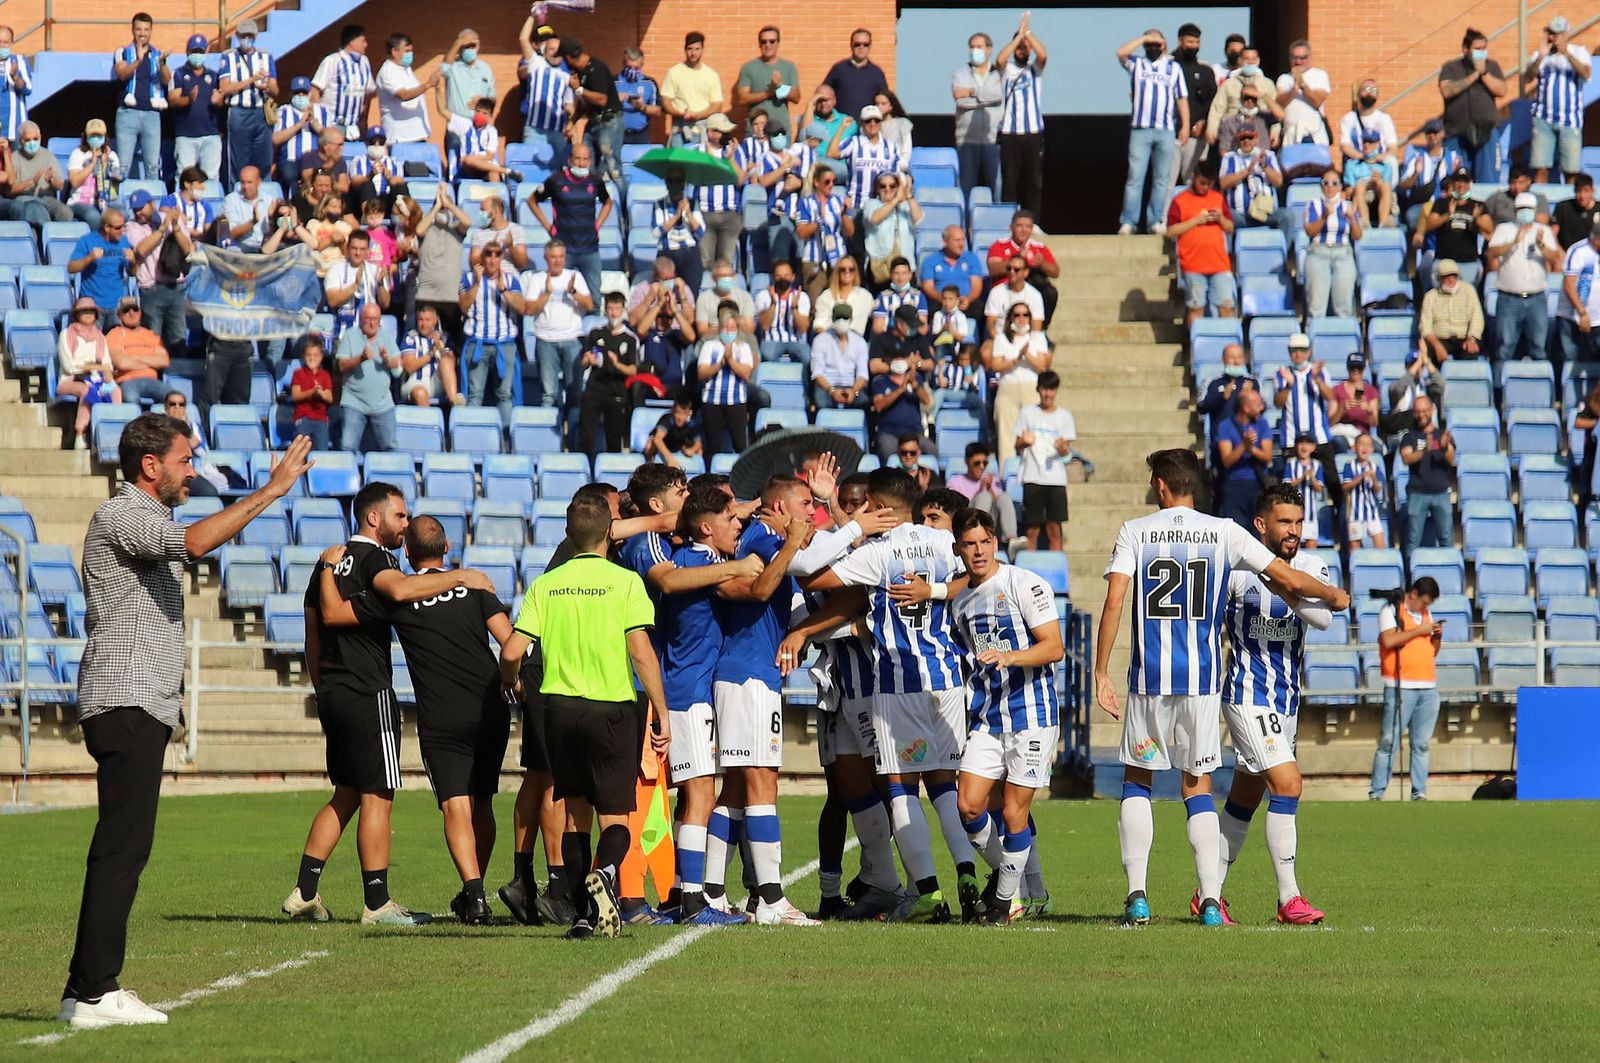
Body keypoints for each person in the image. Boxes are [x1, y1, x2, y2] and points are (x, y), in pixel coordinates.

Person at [53, 423, 307, 1030]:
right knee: (122, 848)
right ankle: (93, 991)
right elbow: (194, 544)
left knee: (124, 846)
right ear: (149, 466)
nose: (192, 471)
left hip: (141, 703)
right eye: (184, 461)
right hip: (126, 701)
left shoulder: (141, 514)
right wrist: (270, 492)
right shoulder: (122, 514)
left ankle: (85, 987)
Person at [1095, 448, 1347, 928]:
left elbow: (1113, 602)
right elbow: (1286, 576)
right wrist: (1335, 595)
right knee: (1198, 788)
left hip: (1150, 678)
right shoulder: (1225, 532)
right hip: (1206, 684)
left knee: (1138, 782)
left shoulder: (1135, 530)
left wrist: (1101, 672)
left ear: (1162, 486)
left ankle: (1138, 897)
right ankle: (1212, 901)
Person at [286, 480, 495, 928]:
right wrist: (462, 576)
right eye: (400, 516)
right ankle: (377, 903)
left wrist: (323, 688)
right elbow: (400, 592)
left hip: (334, 692)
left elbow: (314, 633)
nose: (405, 524)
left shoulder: (326, 564)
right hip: (368, 691)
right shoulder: (376, 560)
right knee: (378, 795)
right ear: (374, 517)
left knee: (344, 794)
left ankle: (305, 891)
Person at [804, 467, 976, 923]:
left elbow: (814, 579)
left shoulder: (880, 551)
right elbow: (978, 575)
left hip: (895, 683)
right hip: (946, 680)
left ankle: (929, 894)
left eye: (867, 507)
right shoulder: (943, 541)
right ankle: (968, 875)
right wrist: (935, 590)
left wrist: (849, 527)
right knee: (943, 786)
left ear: (881, 508)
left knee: (900, 788)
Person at [498, 491, 670, 939]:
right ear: (611, 532)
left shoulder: (546, 583)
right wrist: (661, 712)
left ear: (568, 534)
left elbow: (513, 649)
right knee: (616, 818)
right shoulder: (625, 582)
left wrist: (510, 679)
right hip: (611, 708)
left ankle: (580, 917)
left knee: (576, 818)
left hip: (559, 710)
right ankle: (608, 875)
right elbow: (641, 653)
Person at [701, 476, 822, 926]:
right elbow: (765, 586)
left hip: (750, 674)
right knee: (762, 783)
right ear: (779, 504)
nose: (812, 512)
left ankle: (713, 891)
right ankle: (771, 900)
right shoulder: (762, 537)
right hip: (749, 676)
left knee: (735, 787)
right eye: (806, 503)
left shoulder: (761, 537)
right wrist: (797, 541)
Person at [1215, 482, 1330, 926]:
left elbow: (1321, 617)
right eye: (1285, 521)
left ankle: (1208, 893)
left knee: (1245, 798)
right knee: (1288, 785)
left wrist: (1287, 588)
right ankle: (1289, 899)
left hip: (1286, 704)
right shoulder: (1237, 572)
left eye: (1299, 522)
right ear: (1261, 524)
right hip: (1246, 695)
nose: (1294, 530)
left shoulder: (1310, 566)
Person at [949, 507, 1063, 925]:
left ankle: (1001, 905)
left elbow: (1053, 646)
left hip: (1032, 715)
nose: (978, 551)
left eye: (984, 542)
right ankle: (1005, 880)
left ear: (995, 542)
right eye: (969, 544)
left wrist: (1011, 657)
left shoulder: (1023, 583)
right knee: (968, 806)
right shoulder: (960, 603)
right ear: (959, 549)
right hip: (987, 718)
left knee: (1014, 813)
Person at [1369, 577, 1443, 801]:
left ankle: (1419, 791)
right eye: (1424, 602)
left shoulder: (1426, 617)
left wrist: (1436, 636)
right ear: (1413, 594)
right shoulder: (1391, 610)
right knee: (1389, 741)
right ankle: (1378, 791)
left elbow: (1432, 651)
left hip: (1427, 686)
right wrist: (1421, 630)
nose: (1425, 608)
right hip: (1400, 685)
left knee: (1421, 743)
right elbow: (1390, 641)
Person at [1116, 29, 1188, 236]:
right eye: (1150, 44)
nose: (1154, 48)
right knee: (1135, 177)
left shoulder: (1173, 68)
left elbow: (1181, 98)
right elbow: (1120, 53)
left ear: (1164, 45)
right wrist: (1143, 39)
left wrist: (1185, 125)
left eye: (1158, 44)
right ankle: (1129, 221)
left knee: (1161, 179)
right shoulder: (1137, 64)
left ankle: (1155, 220)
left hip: (1166, 129)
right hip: (1141, 129)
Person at [526, 141, 611, 306]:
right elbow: (532, 200)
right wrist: (548, 227)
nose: (581, 163)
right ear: (570, 160)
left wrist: (598, 224)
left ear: (590, 161)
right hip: (565, 249)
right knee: (560, 297)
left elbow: (608, 202)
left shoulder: (595, 180)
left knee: (594, 301)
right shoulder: (556, 180)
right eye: (578, 159)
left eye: (585, 159)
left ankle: (590, 331)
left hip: (590, 248)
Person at [1487, 193, 1563, 360]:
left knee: (1539, 348)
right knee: (1504, 348)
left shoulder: (1544, 231)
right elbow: (1491, 253)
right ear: (1515, 210)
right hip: (1508, 298)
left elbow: (1555, 258)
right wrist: (1513, 242)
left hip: (1536, 298)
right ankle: (1500, 385)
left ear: (1535, 210)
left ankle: (1539, 385)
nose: (1525, 212)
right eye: (1521, 209)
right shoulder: (1504, 229)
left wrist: (1541, 245)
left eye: (1528, 209)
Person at [1273, 332, 1343, 508]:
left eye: (1302, 350)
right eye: (1294, 350)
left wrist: (1317, 379)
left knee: (1333, 481)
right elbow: (1277, 402)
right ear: (1289, 352)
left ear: (1309, 351)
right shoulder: (1282, 373)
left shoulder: (1320, 372)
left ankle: (1340, 522)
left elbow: (1331, 397)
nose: (1298, 354)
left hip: (1319, 437)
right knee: (1286, 485)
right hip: (1291, 439)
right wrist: (1289, 385)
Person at [524, 239, 594, 414]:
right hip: (546, 341)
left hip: (572, 340)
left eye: (561, 256)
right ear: (546, 258)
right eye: (554, 257)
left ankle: (573, 435)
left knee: (575, 392)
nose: (558, 261)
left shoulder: (574, 276)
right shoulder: (537, 278)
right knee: (548, 395)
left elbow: (590, 305)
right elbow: (529, 309)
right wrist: (547, 293)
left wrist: (573, 292)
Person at [460, 242, 526, 423]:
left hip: (504, 344)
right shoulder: (468, 278)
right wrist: (477, 284)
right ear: (482, 257)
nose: (492, 259)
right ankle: (471, 436)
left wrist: (503, 290)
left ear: (501, 258)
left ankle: (505, 439)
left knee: (505, 395)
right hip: (477, 342)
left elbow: (521, 308)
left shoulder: (511, 280)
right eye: (488, 254)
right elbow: (463, 306)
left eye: (497, 255)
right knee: (474, 395)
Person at [1523, 15, 1591, 184]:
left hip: (1570, 120)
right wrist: (1541, 57)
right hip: (1543, 118)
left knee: (1571, 171)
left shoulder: (1578, 51)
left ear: (1567, 34)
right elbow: (1527, 78)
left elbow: (1586, 73)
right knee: (1541, 168)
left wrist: (1566, 52)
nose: (1555, 38)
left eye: (1559, 34)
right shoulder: (1541, 54)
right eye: (1552, 34)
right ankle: (1542, 206)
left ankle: (1569, 207)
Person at [1166, 161, 1235, 328]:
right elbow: (1171, 231)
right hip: (1193, 265)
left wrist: (1220, 218)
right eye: (1202, 183)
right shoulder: (1180, 201)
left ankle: (1229, 346)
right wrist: (1197, 220)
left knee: (1226, 307)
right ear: (1194, 178)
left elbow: (1230, 228)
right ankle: (1196, 348)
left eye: (1209, 184)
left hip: (1219, 264)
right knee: (1196, 308)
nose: (1205, 187)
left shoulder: (1217, 198)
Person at [983, 301, 1050, 468]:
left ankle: (1035, 473)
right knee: (1006, 436)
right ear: (1011, 317)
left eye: (1025, 314)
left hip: (1031, 388)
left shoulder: (1038, 337)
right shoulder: (1001, 337)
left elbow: (1042, 366)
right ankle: (1007, 475)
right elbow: (996, 365)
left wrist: (1026, 354)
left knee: (1032, 434)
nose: (1021, 319)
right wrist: (1015, 359)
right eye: (1017, 315)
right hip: (1008, 388)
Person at [1014, 369, 1075, 551]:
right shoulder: (1027, 413)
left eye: (1052, 389)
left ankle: (1056, 567)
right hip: (1032, 477)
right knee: (1032, 530)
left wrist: (1063, 449)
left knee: (1054, 529)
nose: (1048, 394)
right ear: (1038, 390)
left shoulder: (1065, 417)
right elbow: (1017, 444)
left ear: (1056, 391)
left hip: (1055, 479)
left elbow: (1067, 454)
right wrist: (1024, 442)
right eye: (1044, 389)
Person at [577, 291, 640, 456]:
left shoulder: (630, 338)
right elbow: (583, 363)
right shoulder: (595, 333)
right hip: (594, 390)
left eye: (617, 308)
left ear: (623, 309)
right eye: (610, 308)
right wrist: (587, 360)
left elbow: (633, 371)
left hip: (616, 392)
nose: (613, 313)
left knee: (613, 439)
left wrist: (617, 364)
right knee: (586, 437)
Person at [410, 184, 474, 345]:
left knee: (453, 345)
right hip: (426, 295)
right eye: (441, 206)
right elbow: (418, 230)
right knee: (424, 342)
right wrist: (437, 205)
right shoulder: (427, 229)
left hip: (451, 297)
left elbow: (467, 222)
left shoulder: (457, 230)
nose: (443, 210)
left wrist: (449, 204)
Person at [1438, 29, 1506, 181]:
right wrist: (1475, 75)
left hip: (1486, 131)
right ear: (1465, 49)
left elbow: (1502, 90)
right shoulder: (1451, 68)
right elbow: (1447, 90)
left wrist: (1484, 73)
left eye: (1484, 49)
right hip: (1457, 132)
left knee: (1488, 179)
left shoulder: (1492, 67)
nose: (1481, 53)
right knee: (1457, 179)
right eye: (1477, 49)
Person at [111, 13, 171, 182]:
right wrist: (138, 59)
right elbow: (122, 74)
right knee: (123, 166)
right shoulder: (123, 52)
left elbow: (167, 80)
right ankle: (120, 205)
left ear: (151, 31)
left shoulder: (156, 54)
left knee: (152, 165)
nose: (142, 33)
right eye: (138, 29)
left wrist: (163, 63)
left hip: (152, 114)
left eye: (146, 30)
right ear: (132, 30)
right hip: (127, 114)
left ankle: (152, 205)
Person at [57, 298, 122, 450]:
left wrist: (107, 373)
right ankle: (81, 433)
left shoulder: (100, 337)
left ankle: (113, 432)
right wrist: (94, 366)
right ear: (77, 314)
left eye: (91, 311)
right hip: (71, 380)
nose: (88, 314)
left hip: (96, 378)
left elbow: (107, 365)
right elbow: (69, 367)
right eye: (84, 311)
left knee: (115, 390)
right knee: (87, 390)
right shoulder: (66, 334)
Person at [559, 38, 624, 188]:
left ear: (568, 57)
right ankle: (590, 203)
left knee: (613, 168)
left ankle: (625, 210)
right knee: (586, 166)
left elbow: (601, 99)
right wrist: (572, 122)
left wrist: (578, 89)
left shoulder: (597, 68)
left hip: (609, 122)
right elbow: (585, 104)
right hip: (593, 122)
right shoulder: (580, 72)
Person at [1218, 126, 1295, 251]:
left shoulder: (1268, 156)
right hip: (1241, 215)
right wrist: (1246, 172)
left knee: (1287, 215)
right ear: (1238, 140)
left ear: (1256, 139)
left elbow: (1278, 182)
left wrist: (1265, 167)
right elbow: (1223, 183)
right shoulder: (1229, 158)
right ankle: (1230, 260)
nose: (1246, 141)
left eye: (1250, 137)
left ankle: (1283, 257)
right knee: (1227, 216)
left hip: (1266, 213)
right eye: (1243, 138)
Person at [1338, 79, 1399, 229]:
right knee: (1358, 184)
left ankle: (1385, 221)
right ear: (1358, 94)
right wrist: (1364, 159)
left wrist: (1377, 159)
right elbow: (1345, 146)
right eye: (1365, 89)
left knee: (1390, 166)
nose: (1369, 93)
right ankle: (1363, 221)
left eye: (1373, 90)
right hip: (1358, 167)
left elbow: (1392, 147)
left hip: (1379, 165)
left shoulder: (1384, 119)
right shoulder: (1348, 119)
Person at [697, 309, 756, 459]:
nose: (728, 331)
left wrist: (730, 360)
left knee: (740, 445)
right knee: (713, 445)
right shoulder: (709, 346)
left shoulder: (743, 348)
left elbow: (746, 374)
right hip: (712, 400)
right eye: (725, 328)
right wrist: (720, 363)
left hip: (736, 401)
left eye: (731, 328)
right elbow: (702, 373)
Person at [1303, 169, 1362, 318]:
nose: (1330, 187)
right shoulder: (1313, 204)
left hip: (1343, 253)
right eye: (1326, 183)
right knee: (1316, 306)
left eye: (1334, 183)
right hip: (1318, 253)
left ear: (1340, 186)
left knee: (1344, 305)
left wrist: (1352, 219)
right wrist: (1323, 218)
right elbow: (1310, 231)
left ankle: (1344, 338)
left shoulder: (1347, 206)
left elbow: (1357, 235)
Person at [1399, 395, 1455, 551]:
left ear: (1431, 411)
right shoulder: (1409, 436)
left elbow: (1451, 459)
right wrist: (1424, 451)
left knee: (1446, 538)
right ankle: (1411, 574)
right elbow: (1406, 458)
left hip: (1441, 493)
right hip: (1417, 493)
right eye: (1417, 412)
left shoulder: (1442, 434)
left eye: (1424, 411)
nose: (1421, 415)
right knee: (1413, 539)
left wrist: (1444, 447)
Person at [516, 17, 573, 169]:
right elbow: (523, 38)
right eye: (551, 49)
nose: (555, 53)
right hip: (535, 129)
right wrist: (532, 16)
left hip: (557, 131)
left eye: (558, 49)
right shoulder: (536, 64)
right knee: (532, 168)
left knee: (564, 169)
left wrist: (571, 121)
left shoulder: (566, 72)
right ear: (544, 52)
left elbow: (570, 104)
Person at [986, 209, 1060, 326]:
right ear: (1011, 227)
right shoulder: (999, 245)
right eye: (1019, 226)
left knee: (1050, 292)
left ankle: (1042, 329)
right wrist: (1015, 259)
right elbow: (993, 269)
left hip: (1030, 289)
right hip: (1006, 288)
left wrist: (1042, 264)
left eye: (1028, 227)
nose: (1024, 230)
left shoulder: (1039, 247)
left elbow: (1055, 272)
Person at [953, 33, 1003, 199]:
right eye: (972, 47)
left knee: (997, 187)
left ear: (989, 50)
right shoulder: (961, 73)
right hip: (966, 141)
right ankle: (966, 224)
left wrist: (972, 93)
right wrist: (986, 98)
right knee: (965, 190)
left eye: (979, 47)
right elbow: (961, 102)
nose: (975, 50)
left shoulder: (1000, 74)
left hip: (993, 141)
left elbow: (999, 96)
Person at [1214, 388, 1273, 527]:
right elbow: (1227, 460)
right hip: (1234, 485)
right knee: (1235, 529)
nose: (1262, 407)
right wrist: (1243, 446)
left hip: (1257, 484)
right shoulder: (1226, 426)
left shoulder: (1262, 424)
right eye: (1258, 404)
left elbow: (1268, 456)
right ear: (1246, 407)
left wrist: (1252, 449)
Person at [795, 165, 854, 303]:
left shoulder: (839, 201)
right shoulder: (806, 203)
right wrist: (818, 220)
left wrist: (845, 214)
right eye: (827, 181)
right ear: (817, 182)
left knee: (839, 301)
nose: (831, 185)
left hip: (838, 258)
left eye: (834, 181)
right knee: (816, 302)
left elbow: (850, 232)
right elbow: (801, 233)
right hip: (814, 259)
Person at [1418, 168, 1486, 288]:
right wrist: (1447, 215)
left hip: (1468, 262)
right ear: (1453, 183)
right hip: (1444, 260)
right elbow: (1428, 226)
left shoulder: (1478, 205)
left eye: (1464, 181)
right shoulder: (1441, 203)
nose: (1461, 185)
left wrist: (1477, 219)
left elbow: (1490, 231)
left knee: (1466, 297)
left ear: (1469, 184)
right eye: (1458, 181)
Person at [947, 442, 1022, 549]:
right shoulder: (954, 482)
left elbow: (999, 504)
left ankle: (1012, 540)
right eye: (977, 463)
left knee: (1004, 497)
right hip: (967, 525)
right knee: (983, 496)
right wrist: (980, 491)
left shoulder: (992, 481)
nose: (981, 467)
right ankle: (979, 536)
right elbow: (956, 510)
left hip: (991, 523)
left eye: (985, 463)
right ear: (967, 462)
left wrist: (989, 489)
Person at [168, 35, 222, 182]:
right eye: (194, 51)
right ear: (187, 51)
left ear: (206, 51)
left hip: (210, 135)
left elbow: (222, 100)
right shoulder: (178, 74)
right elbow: (172, 101)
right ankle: (180, 205)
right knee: (184, 177)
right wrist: (189, 99)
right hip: (186, 136)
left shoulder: (213, 76)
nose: (197, 55)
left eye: (200, 51)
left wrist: (219, 101)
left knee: (211, 177)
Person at [1206, 46, 1281, 151]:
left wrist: (1275, 131)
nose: (1250, 62)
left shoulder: (1267, 84)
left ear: (1258, 61)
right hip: (1232, 134)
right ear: (1240, 61)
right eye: (1246, 59)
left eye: (1253, 59)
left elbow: (1274, 111)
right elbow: (1217, 108)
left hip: (1260, 133)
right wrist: (1212, 129)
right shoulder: (1229, 84)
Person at [1398, 120, 1465, 234]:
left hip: (1446, 202)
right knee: (1412, 216)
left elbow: (1464, 185)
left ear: (1442, 134)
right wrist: (1416, 174)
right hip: (1425, 203)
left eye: (1435, 132)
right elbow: (1403, 185)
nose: (1432, 136)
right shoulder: (1417, 157)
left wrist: (1456, 174)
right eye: (1429, 133)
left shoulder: (1453, 157)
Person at [67, 209, 135, 319]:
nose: (122, 230)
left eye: (124, 226)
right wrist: (89, 258)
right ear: (107, 228)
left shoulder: (124, 242)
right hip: (93, 306)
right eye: (118, 227)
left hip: (116, 306)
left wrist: (133, 262)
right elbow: (71, 268)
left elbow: (132, 273)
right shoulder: (87, 241)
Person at [312, 23, 376, 140]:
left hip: (353, 127)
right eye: (363, 41)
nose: (366, 45)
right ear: (352, 41)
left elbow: (370, 90)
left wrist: (363, 112)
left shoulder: (364, 62)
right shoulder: (333, 61)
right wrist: (319, 118)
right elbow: (315, 89)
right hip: (333, 123)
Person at [736, 26, 801, 140]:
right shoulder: (749, 67)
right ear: (759, 44)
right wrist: (768, 93)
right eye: (764, 41)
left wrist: (779, 87)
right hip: (756, 130)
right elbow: (742, 98)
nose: (768, 45)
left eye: (772, 41)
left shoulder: (789, 67)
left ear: (778, 43)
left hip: (780, 130)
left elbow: (796, 97)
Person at [439, 29, 495, 160]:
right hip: (456, 127)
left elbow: (493, 96)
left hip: (480, 128)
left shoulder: (485, 68)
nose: (469, 50)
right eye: (466, 46)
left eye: (473, 46)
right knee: (457, 162)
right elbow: (443, 67)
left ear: (478, 46)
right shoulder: (453, 67)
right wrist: (458, 43)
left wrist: (484, 100)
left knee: (483, 164)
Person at [1169, 23, 1214, 186]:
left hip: (1196, 136)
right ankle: (1165, 213)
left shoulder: (1205, 69)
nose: (1194, 46)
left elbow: (1212, 101)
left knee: (1193, 180)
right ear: (1180, 41)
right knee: (1166, 182)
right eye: (1190, 42)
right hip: (1170, 135)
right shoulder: (1168, 65)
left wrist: (1203, 121)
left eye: (1197, 42)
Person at [105, 297, 169, 408]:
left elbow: (164, 361)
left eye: (135, 309)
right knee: (130, 398)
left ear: (140, 312)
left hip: (152, 380)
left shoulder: (151, 335)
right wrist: (150, 360)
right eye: (126, 310)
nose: (131, 313)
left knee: (173, 397)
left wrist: (133, 357)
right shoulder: (114, 334)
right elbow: (122, 364)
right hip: (126, 381)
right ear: (119, 315)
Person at [661, 31, 722, 147]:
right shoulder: (674, 72)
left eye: (697, 49)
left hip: (703, 131)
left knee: (700, 164)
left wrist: (699, 115)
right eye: (690, 49)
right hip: (679, 130)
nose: (693, 53)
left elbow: (717, 105)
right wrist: (680, 113)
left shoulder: (711, 75)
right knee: (678, 164)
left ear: (702, 49)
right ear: (685, 49)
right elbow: (666, 101)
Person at [869, 351, 933, 460]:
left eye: (902, 358)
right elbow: (879, 405)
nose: (899, 362)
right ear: (889, 362)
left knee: (932, 451)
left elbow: (927, 401)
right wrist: (900, 390)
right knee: (886, 450)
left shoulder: (916, 378)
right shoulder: (880, 381)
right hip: (889, 433)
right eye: (895, 359)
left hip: (915, 433)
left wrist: (915, 386)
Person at [862, 173, 921, 288]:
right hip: (880, 268)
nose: (887, 189)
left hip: (905, 268)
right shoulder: (871, 204)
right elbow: (874, 218)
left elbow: (919, 220)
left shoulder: (905, 206)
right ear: (877, 189)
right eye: (883, 186)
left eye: (892, 186)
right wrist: (896, 200)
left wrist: (908, 194)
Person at [8, 121, 71, 229]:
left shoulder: (48, 156)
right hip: (24, 198)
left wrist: (51, 178)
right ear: (21, 141)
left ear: (40, 137)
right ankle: (46, 239)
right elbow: (9, 191)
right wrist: (32, 181)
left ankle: (63, 241)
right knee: (38, 210)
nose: (32, 143)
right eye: (28, 140)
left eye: (35, 139)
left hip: (46, 198)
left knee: (65, 212)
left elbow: (60, 186)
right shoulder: (13, 158)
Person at [1418, 259, 1485, 361]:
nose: (1451, 280)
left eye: (1454, 276)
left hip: (1464, 338)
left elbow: (1477, 318)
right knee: (1430, 350)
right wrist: (1437, 345)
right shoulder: (1430, 296)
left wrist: (1472, 339)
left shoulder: (1468, 290)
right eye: (1447, 277)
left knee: (1471, 351)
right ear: (1439, 279)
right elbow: (1425, 327)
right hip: (1440, 339)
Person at [399, 304, 463, 408]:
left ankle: (455, 405)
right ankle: (428, 422)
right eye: (420, 320)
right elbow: (409, 367)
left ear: (435, 321)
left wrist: (441, 349)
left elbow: (452, 363)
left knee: (446, 361)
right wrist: (431, 354)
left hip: (438, 383)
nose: (424, 324)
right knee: (421, 393)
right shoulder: (410, 337)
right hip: (415, 383)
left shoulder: (444, 337)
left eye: (427, 320)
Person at [652, 174, 706, 296]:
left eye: (678, 180)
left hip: (690, 253)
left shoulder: (692, 203)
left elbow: (701, 232)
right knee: (666, 294)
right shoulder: (659, 204)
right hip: (667, 253)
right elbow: (656, 232)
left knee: (691, 295)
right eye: (671, 180)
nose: (675, 184)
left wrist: (688, 214)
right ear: (666, 183)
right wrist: (676, 216)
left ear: (684, 183)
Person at [810, 303, 870, 411]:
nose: (841, 321)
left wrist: (854, 391)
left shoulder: (860, 342)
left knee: (864, 402)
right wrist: (831, 390)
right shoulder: (820, 340)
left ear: (851, 319)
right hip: (827, 387)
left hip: (851, 386)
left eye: (845, 318)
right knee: (822, 402)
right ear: (832, 319)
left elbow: (862, 374)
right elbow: (817, 373)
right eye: (838, 318)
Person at [754, 259, 812, 370]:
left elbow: (803, 328)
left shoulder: (802, 297)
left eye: (786, 276)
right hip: (772, 339)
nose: (783, 279)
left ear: (793, 277)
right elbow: (764, 326)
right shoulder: (763, 296)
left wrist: (794, 307)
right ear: (773, 278)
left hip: (796, 340)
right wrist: (773, 304)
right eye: (778, 276)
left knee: (808, 358)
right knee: (767, 354)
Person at [66, 119, 122, 231]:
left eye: (99, 136)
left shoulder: (112, 155)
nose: (96, 139)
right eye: (92, 136)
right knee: (94, 217)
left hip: (107, 200)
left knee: (122, 214)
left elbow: (117, 180)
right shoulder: (78, 154)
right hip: (80, 201)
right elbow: (75, 181)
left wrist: (106, 165)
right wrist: (92, 164)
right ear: (86, 137)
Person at [821, 28, 888, 122]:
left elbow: (885, 101)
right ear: (851, 45)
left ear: (870, 46)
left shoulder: (877, 73)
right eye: (857, 44)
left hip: (867, 128)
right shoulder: (839, 69)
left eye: (866, 44)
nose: (861, 47)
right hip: (842, 127)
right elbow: (823, 94)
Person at [1274, 39, 1331, 146]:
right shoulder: (1284, 78)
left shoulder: (1319, 75)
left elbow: (1317, 101)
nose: (1298, 62)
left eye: (1302, 58)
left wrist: (1302, 84)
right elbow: (1278, 104)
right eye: (1294, 58)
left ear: (1310, 57)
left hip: (1314, 132)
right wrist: (1293, 91)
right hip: (1291, 133)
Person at [274, 76, 334, 177]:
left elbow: (332, 138)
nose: (301, 95)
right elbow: (275, 139)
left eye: (304, 92)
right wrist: (299, 125)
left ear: (310, 93)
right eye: (297, 92)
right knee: (289, 174)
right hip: (291, 160)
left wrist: (314, 123)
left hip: (317, 161)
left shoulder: (323, 111)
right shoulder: (284, 110)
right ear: (291, 94)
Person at [1560, 218, 1600, 365]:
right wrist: (1582, 313)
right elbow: (1569, 284)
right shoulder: (1579, 251)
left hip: (1598, 321)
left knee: (1593, 365)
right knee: (1572, 361)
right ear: (1595, 237)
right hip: (1573, 318)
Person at [920, 225, 986, 314]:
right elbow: (928, 287)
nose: (961, 244)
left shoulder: (972, 258)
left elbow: (976, 287)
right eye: (957, 240)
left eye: (963, 240)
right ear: (945, 242)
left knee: (979, 308)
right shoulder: (930, 260)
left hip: (965, 302)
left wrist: (968, 299)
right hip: (940, 302)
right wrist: (946, 299)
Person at [1341, 432, 1387, 549]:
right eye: (1362, 444)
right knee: (1354, 549)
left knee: (1380, 545)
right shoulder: (1349, 466)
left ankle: (1379, 566)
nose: (1365, 447)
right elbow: (1345, 487)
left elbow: (1377, 490)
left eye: (1368, 445)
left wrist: (1374, 478)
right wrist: (1360, 477)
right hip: (1354, 513)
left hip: (1372, 513)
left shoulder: (1375, 467)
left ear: (1371, 449)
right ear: (1355, 447)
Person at [983, 254, 1045, 338]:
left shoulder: (1035, 295)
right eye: (1009, 268)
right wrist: (1000, 341)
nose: (1012, 272)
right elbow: (990, 323)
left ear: (1025, 272)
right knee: (985, 350)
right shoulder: (996, 292)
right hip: (1000, 337)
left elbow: (1036, 328)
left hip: (1026, 340)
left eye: (1016, 269)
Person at [290, 336, 333, 449]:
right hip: (303, 418)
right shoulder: (298, 373)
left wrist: (322, 394)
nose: (312, 358)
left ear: (321, 357)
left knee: (322, 452)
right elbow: (295, 395)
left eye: (315, 355)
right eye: (308, 355)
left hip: (321, 420)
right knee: (300, 452)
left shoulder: (325, 375)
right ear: (303, 357)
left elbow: (330, 398)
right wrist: (312, 393)